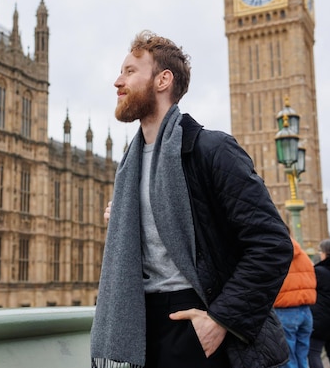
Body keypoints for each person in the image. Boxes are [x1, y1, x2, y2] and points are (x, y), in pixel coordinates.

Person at [90, 30, 294, 368]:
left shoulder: (211, 149)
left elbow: (273, 244)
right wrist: (131, 222)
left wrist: (221, 320)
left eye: (129, 71)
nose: (117, 81)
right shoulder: (131, 166)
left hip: (199, 320)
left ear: (162, 80)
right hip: (141, 326)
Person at [273, 237, 317, 368]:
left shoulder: (276, 252)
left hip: (285, 310)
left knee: (288, 360)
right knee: (302, 358)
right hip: (306, 311)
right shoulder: (304, 255)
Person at [308, 238, 330, 368]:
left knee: (313, 353)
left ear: (326, 253)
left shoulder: (319, 272)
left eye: (320, 251)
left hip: (320, 321)